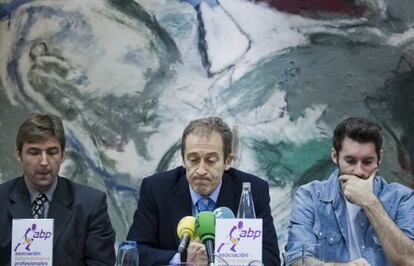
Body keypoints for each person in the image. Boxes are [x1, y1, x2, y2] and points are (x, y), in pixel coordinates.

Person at [127, 116, 280, 265]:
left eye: (211, 160)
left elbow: (270, 257)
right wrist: (183, 259)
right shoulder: (156, 189)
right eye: (193, 160)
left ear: (227, 161)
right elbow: (135, 251)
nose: (201, 170)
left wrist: (221, 260)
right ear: (183, 159)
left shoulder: (252, 190)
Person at [284, 117, 414, 266]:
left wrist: (370, 203)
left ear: (380, 158)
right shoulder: (309, 196)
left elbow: (410, 260)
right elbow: (296, 260)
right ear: (335, 156)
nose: (358, 171)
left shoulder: (402, 198)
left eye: (367, 162)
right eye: (350, 161)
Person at [0, 113, 116, 266]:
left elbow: (101, 263)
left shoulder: (91, 205)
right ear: (19, 155)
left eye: (52, 152)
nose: (43, 162)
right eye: (34, 152)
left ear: (62, 155)